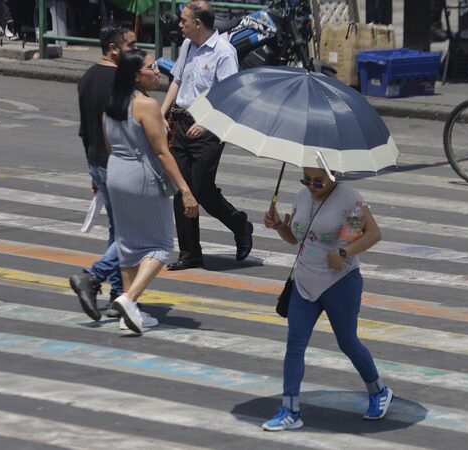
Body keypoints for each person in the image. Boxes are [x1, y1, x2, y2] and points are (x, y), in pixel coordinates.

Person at [261, 167, 393, 431]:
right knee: (295, 345)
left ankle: (378, 391)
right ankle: (290, 410)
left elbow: (372, 234)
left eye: (318, 181)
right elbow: (296, 239)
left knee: (347, 342)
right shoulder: (301, 197)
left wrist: (344, 253)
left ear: (333, 175)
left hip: (340, 283)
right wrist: (279, 226)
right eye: (306, 180)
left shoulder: (350, 199)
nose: (311, 186)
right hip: (305, 281)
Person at [104, 48, 200, 333]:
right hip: (141, 176)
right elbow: (161, 153)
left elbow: (108, 144)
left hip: (116, 173)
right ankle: (129, 299)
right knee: (160, 246)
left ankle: (128, 314)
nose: (157, 71)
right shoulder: (146, 105)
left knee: (128, 244)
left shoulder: (112, 103)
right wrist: (185, 189)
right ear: (136, 75)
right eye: (151, 67)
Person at [160, 1, 253, 271]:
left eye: (184, 20)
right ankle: (190, 253)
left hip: (210, 127)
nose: (180, 24)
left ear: (198, 23)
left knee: (201, 189)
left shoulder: (224, 52)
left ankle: (239, 224)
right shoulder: (187, 45)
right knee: (183, 188)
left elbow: (229, 95)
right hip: (183, 121)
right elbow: (176, 80)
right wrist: (162, 113)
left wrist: (207, 122)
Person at [69, 24, 136, 322]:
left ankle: (116, 294)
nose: (135, 51)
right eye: (131, 46)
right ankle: (92, 277)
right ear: (113, 49)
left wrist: (93, 172)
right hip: (116, 165)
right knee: (131, 235)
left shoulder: (87, 78)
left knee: (119, 230)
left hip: (97, 163)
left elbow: (85, 130)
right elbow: (115, 130)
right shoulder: (117, 82)